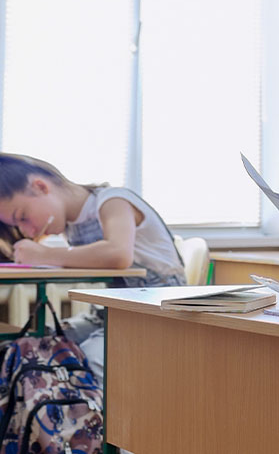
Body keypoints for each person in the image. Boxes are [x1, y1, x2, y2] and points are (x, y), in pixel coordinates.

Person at [0, 153, 185, 379]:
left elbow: (119, 254)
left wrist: (45, 254)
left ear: (40, 186)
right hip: (113, 312)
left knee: (93, 357)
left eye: (23, 217)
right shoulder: (71, 226)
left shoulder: (112, 201)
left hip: (158, 312)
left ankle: (95, 413)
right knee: (41, 342)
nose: (28, 230)